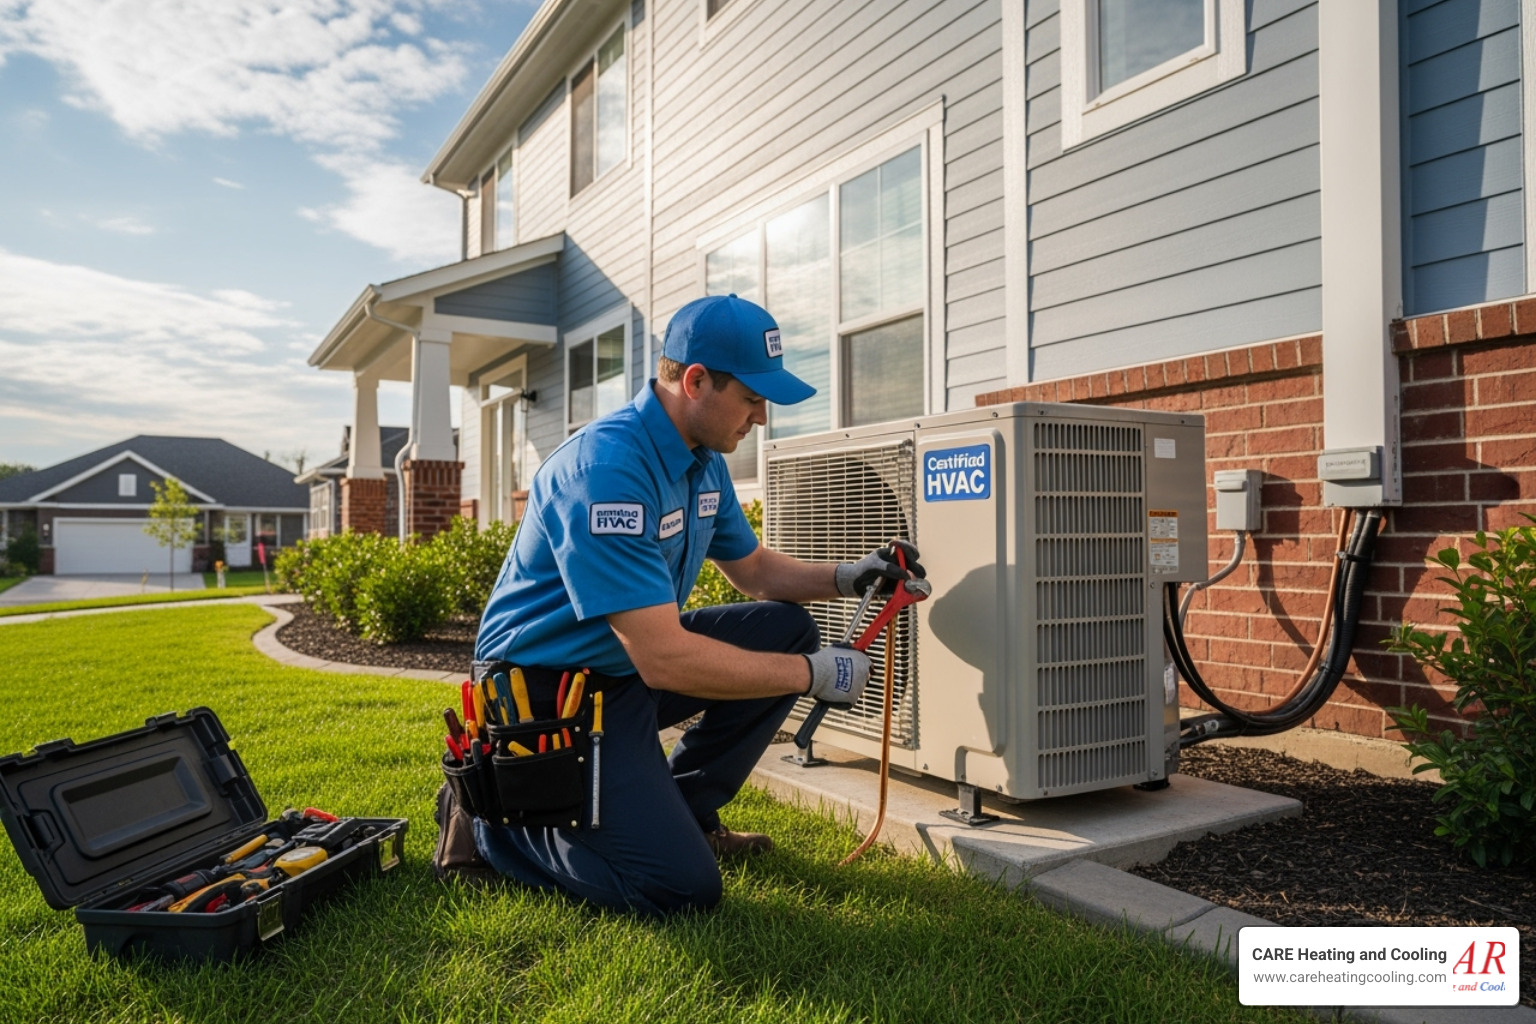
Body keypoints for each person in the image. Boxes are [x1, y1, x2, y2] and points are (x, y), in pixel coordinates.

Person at [460, 293, 923, 916]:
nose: (761, 418)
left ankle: (684, 811)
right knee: (682, 890)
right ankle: (499, 828)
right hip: (546, 692)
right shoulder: (607, 473)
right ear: (696, 381)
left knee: (785, 629)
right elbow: (665, 661)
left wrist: (849, 575)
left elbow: (754, 572)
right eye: (752, 399)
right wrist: (818, 674)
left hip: (621, 672)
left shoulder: (703, 463)